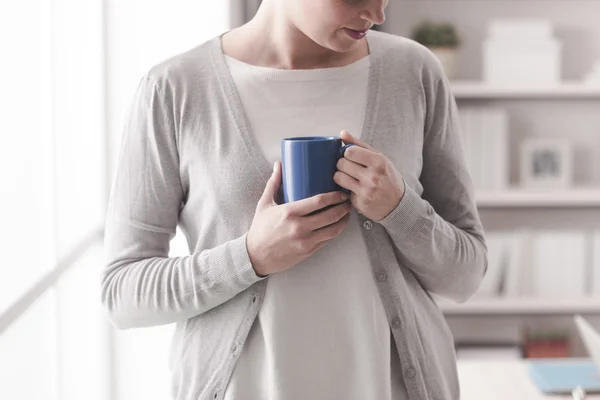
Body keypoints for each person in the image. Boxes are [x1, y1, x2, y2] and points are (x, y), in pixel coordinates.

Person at [102, 0, 488, 399]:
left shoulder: (414, 72)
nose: (377, 15)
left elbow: (467, 275)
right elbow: (123, 293)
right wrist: (250, 257)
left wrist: (400, 209)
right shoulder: (174, 89)